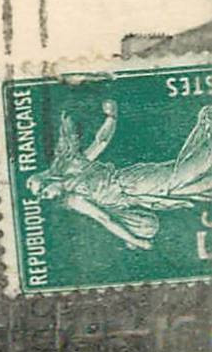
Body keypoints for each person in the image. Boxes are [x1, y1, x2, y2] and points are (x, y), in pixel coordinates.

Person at [26, 101, 212, 250]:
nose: (45, 196)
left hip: (131, 182)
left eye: (42, 190)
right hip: (138, 198)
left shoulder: (74, 167)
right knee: (194, 186)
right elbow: (106, 219)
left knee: (181, 176)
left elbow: (101, 142)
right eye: (42, 197)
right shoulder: (73, 200)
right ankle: (206, 125)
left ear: (48, 179)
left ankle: (207, 125)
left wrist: (111, 117)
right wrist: (137, 241)